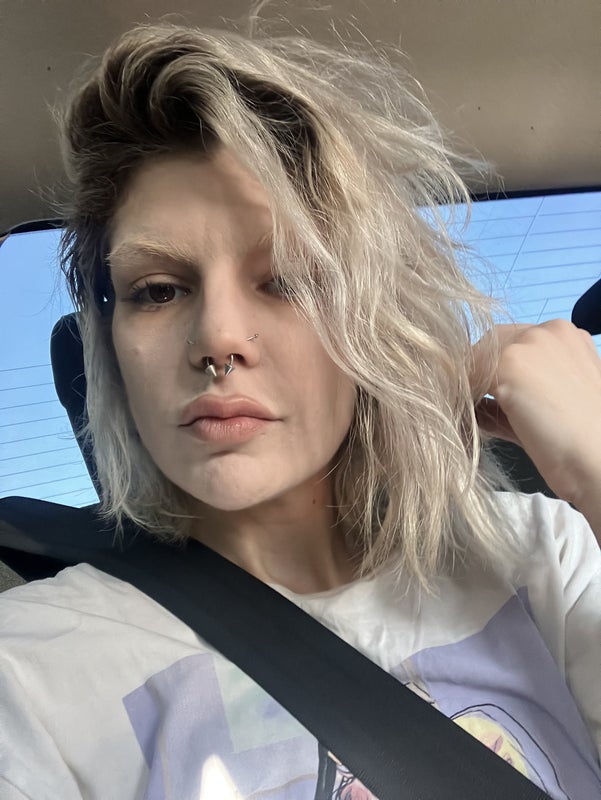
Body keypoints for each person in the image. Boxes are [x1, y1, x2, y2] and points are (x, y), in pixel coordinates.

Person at [1, 16, 600, 800]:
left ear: (375, 319)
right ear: (111, 346)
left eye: (286, 279)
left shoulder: (544, 554)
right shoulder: (29, 673)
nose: (217, 338)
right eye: (157, 290)